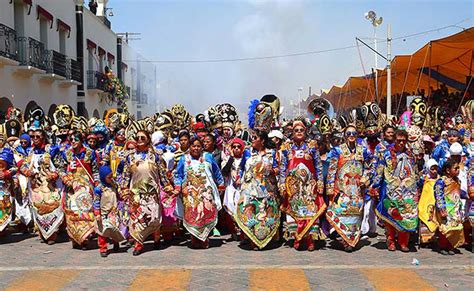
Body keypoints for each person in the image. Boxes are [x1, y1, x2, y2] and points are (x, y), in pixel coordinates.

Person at [120, 130, 172, 255]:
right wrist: (124, 188)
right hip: (136, 193)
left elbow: (162, 173)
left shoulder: (156, 155)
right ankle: (138, 244)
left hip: (152, 192)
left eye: (142, 138)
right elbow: (126, 174)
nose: (139, 140)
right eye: (137, 138)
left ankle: (157, 239)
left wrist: (167, 186)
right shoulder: (130, 156)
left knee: (154, 217)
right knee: (137, 219)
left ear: (148, 139)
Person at [279, 120, 325, 251]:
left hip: (309, 186)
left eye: (301, 130)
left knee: (310, 211)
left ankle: (310, 239)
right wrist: (282, 183)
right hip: (293, 186)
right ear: (292, 133)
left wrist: (320, 182)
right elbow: (283, 167)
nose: (299, 132)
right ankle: (297, 237)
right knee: (295, 211)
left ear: (306, 132)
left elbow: (318, 166)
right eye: (296, 130)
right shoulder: (286, 148)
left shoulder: (311, 146)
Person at [326, 125, 373, 252]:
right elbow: (331, 170)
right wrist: (330, 187)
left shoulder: (363, 151)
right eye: (348, 133)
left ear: (357, 135)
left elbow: (371, 166)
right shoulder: (337, 150)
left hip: (357, 189)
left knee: (355, 214)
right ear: (344, 135)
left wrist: (365, 178)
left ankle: (351, 239)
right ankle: (344, 240)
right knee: (342, 213)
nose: (351, 136)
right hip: (341, 189)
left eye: (353, 133)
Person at [371, 129, 420, 252]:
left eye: (404, 141)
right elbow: (379, 171)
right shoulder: (386, 154)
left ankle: (403, 243)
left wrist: (418, 187)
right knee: (391, 215)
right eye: (399, 141)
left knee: (406, 215)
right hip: (391, 190)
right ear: (394, 140)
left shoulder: (410, 155)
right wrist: (374, 186)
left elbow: (415, 172)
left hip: (408, 191)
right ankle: (391, 241)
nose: (402, 143)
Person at [174, 136, 225, 248]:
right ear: (189, 147)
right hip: (190, 193)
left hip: (206, 192)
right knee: (193, 215)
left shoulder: (208, 157)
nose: (196, 148)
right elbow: (178, 174)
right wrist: (178, 186)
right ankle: (194, 238)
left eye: (198, 146)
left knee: (205, 214)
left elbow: (217, 172)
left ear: (202, 147)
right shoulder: (184, 158)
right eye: (193, 146)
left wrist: (221, 184)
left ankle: (205, 238)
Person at [235, 130, 280, 250]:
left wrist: (272, 171)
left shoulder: (271, 153)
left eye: (255, 138)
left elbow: (278, 169)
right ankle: (252, 239)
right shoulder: (247, 153)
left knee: (265, 212)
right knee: (250, 211)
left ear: (263, 140)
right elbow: (242, 168)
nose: (252, 140)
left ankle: (265, 237)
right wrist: (239, 178)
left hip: (267, 189)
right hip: (250, 188)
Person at [20, 129, 63, 244]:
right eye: (33, 136)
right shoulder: (30, 152)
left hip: (50, 185)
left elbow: (61, 166)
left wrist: (54, 175)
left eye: (37, 136)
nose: (34, 139)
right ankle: (43, 232)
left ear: (44, 137)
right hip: (36, 185)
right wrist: (27, 172)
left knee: (51, 206)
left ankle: (52, 234)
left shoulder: (52, 150)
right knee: (38, 208)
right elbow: (23, 165)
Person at [61, 131, 99, 249]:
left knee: (85, 212)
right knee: (71, 211)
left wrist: (97, 183)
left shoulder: (90, 153)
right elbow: (61, 169)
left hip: (85, 187)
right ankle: (74, 237)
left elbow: (95, 170)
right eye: (71, 139)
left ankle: (85, 238)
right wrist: (65, 178)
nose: (73, 142)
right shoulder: (66, 154)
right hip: (71, 187)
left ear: (81, 141)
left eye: (75, 139)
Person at [434, 160, 465, 255]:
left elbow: (459, 193)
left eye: (458, 168)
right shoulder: (441, 181)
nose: (458, 170)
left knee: (455, 228)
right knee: (445, 228)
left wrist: (466, 197)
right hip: (445, 208)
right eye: (455, 168)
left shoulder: (457, 181)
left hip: (455, 209)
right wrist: (441, 208)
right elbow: (438, 195)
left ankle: (451, 246)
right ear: (448, 170)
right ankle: (443, 246)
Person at [94, 165, 125, 257]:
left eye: (112, 176)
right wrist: (97, 213)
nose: (111, 178)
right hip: (103, 213)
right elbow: (96, 202)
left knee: (114, 229)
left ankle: (116, 243)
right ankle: (103, 248)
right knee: (102, 231)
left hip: (113, 211)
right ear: (103, 177)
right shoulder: (98, 189)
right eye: (109, 177)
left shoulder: (114, 185)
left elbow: (118, 195)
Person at [221, 138, 246, 241]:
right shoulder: (227, 160)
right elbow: (224, 172)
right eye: (234, 147)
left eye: (238, 147)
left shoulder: (246, 159)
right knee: (230, 210)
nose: (236, 149)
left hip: (242, 188)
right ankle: (234, 230)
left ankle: (243, 233)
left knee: (242, 210)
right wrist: (231, 158)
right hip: (231, 187)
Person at [418, 159, 440, 245]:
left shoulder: (439, 179)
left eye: (436, 169)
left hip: (435, 202)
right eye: (432, 169)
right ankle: (424, 239)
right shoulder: (423, 178)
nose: (434, 171)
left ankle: (433, 239)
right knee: (425, 217)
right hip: (425, 202)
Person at [0, 146, 16, 235]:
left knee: (4, 206)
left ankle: (2, 228)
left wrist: (6, 174)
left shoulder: (7, 151)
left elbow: (14, 167)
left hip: (4, 185)